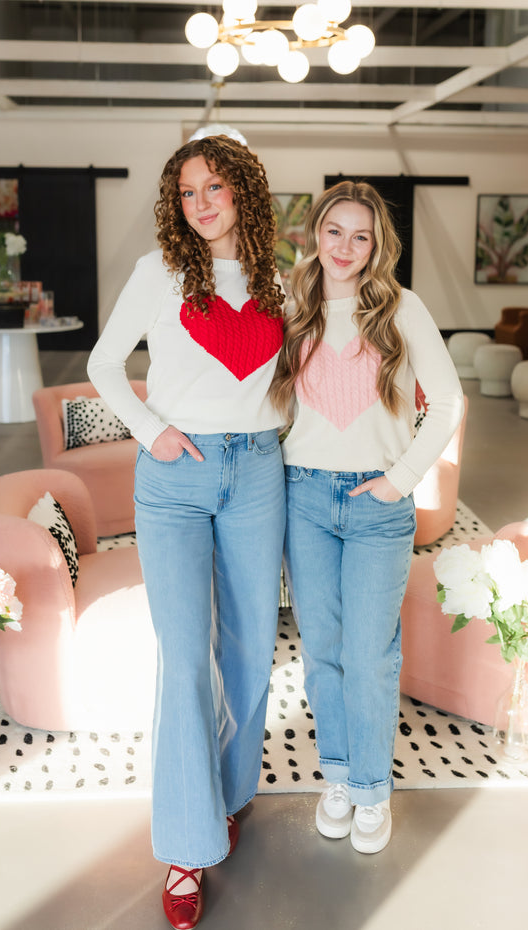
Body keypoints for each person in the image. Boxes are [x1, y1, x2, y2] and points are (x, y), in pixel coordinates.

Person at [87, 134, 286, 930]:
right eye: (188, 192)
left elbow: (305, 370)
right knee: (183, 653)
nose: (202, 203)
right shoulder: (158, 272)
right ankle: (183, 845)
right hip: (174, 478)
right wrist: (152, 430)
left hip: (258, 472)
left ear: (245, 191)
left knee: (248, 651)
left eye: (216, 187)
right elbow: (105, 364)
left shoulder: (280, 278)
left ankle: (229, 797)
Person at [270, 180, 464, 854]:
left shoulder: (402, 308)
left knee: (370, 653)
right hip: (304, 498)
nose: (346, 247)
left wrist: (400, 480)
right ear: (314, 234)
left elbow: (447, 401)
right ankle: (340, 777)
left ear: (377, 243)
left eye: (362, 235)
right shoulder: (294, 305)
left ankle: (373, 791)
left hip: (378, 505)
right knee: (322, 648)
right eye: (334, 231)